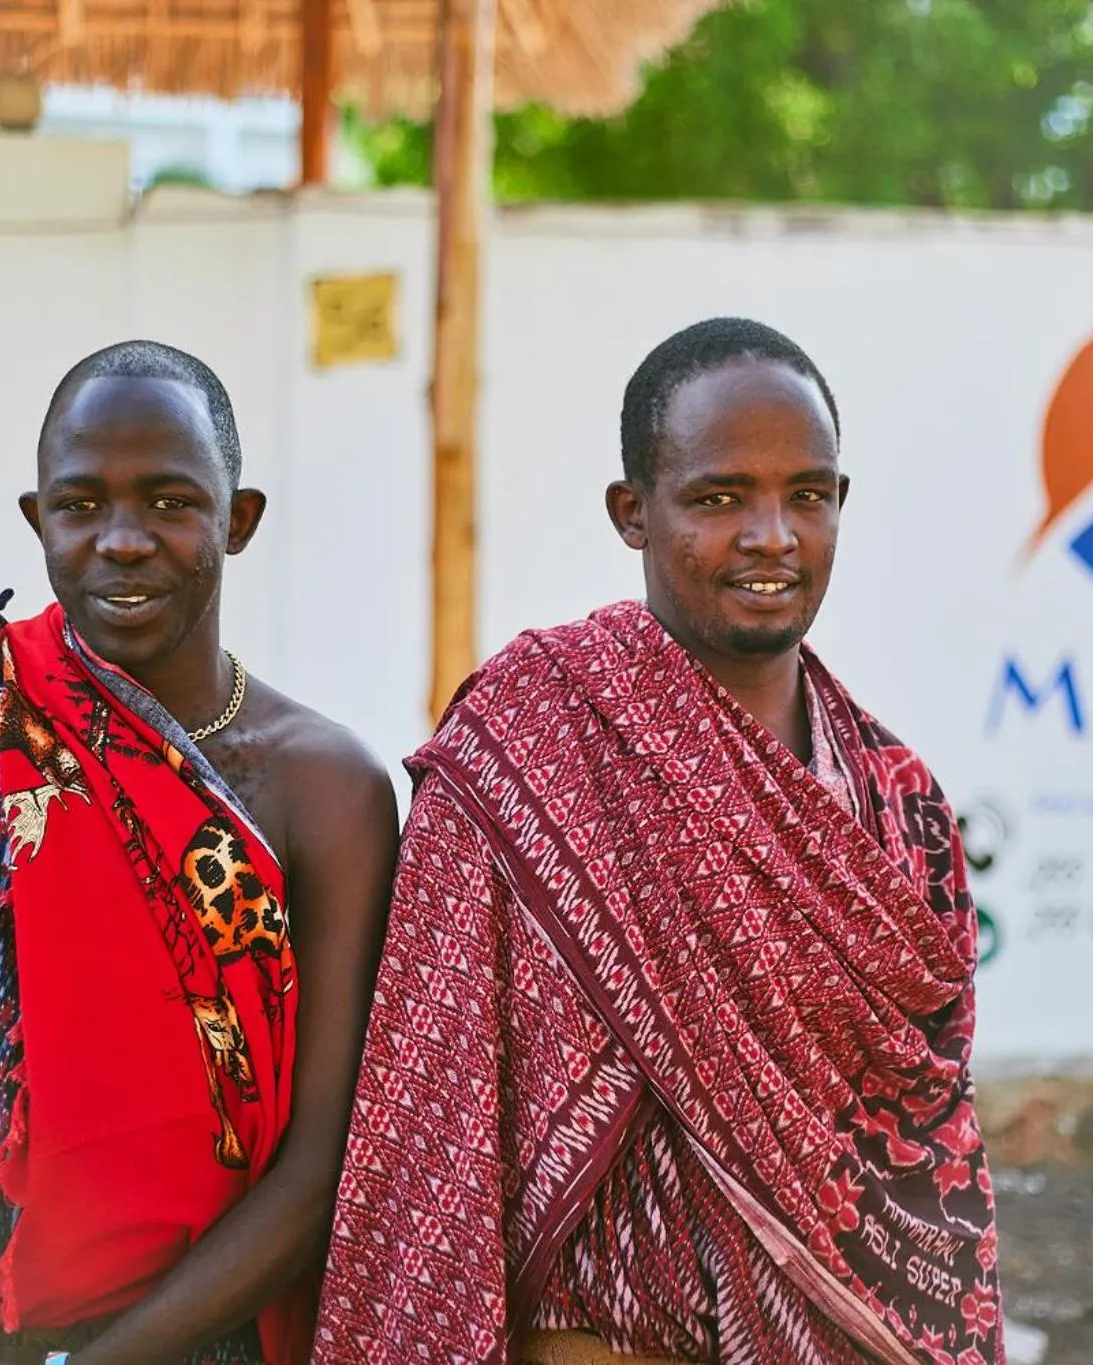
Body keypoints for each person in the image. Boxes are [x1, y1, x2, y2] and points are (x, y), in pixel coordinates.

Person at [313, 318, 1004, 1365]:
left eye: (805, 495)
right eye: (719, 498)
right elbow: (433, 1095)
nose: (771, 535)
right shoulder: (527, 742)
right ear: (632, 513)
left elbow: (924, 1152)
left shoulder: (898, 803)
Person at [0, 341, 399, 1365]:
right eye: (81, 505)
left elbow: (319, 1167)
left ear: (239, 518)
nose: (123, 541)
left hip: (195, 1335)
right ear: (35, 518)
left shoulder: (327, 790)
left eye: (171, 503)